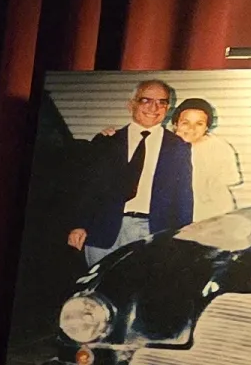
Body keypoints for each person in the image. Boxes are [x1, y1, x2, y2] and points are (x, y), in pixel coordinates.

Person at [67, 78, 192, 259]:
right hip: (103, 230)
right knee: (99, 278)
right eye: (146, 100)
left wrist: (182, 238)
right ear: (131, 104)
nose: (154, 108)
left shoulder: (178, 147)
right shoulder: (107, 141)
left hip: (153, 232)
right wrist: (79, 224)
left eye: (162, 102)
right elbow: (89, 187)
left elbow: (183, 197)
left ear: (167, 108)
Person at [170, 97, 246, 223]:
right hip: (176, 216)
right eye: (185, 123)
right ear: (175, 124)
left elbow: (230, 181)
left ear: (207, 127)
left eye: (199, 124)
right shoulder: (166, 147)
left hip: (212, 214)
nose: (192, 128)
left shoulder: (218, 147)